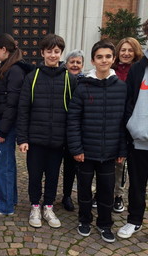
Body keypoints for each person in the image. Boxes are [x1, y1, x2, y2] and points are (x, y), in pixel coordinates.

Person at [67, 40, 127, 243]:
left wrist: (121, 149)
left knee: (107, 191)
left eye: (108, 56)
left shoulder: (121, 87)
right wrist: (76, 147)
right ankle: (84, 220)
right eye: (99, 57)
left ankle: (104, 224)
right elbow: (73, 119)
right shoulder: (83, 87)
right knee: (84, 189)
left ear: (113, 59)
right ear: (93, 60)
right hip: (86, 150)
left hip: (110, 151)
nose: (104, 60)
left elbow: (122, 122)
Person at [17, 34, 77, 228]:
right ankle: (35, 206)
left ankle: (48, 207)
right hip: (35, 139)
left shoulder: (69, 78)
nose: (53, 55)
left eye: (57, 51)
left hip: (58, 140)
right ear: (42, 53)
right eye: (49, 51)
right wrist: (22, 138)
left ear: (61, 53)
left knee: (53, 176)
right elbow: (23, 109)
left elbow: (74, 111)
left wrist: (70, 139)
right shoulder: (32, 77)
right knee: (34, 176)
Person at [0, 33, 33, 216]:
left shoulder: (14, 70)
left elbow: (12, 102)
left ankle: (5, 206)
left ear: (4, 49)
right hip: (4, 121)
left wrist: (3, 129)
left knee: (4, 164)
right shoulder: (11, 66)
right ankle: (7, 197)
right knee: (7, 163)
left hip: (7, 123)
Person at [117, 20, 148, 239]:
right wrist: (130, 126)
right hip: (139, 140)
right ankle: (134, 220)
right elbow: (128, 102)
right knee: (137, 184)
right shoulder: (138, 68)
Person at [111, 37, 143, 213]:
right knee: (109, 161)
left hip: (131, 122)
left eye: (130, 50)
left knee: (122, 163)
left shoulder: (139, 71)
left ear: (135, 52)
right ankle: (103, 192)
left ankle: (118, 195)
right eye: (123, 50)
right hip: (113, 121)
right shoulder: (112, 70)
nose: (126, 53)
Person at [62, 49, 85, 211]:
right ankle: (65, 195)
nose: (75, 65)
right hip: (62, 129)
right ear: (66, 64)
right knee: (64, 166)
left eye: (78, 62)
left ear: (82, 65)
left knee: (78, 166)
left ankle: (78, 196)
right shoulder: (62, 79)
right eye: (72, 62)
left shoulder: (87, 81)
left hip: (80, 130)